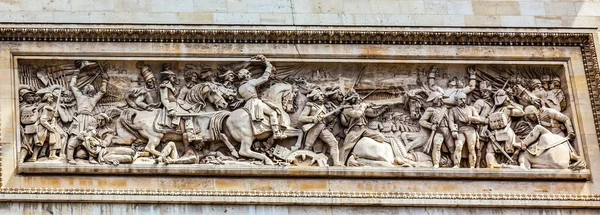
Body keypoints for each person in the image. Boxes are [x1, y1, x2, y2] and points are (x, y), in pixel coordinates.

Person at [65, 64, 109, 164]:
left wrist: (105, 80)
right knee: (75, 137)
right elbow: (102, 91)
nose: (88, 87)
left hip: (88, 120)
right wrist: (75, 75)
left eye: (89, 87)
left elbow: (102, 91)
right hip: (80, 119)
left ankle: (91, 158)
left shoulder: (89, 98)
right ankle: (70, 158)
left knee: (90, 139)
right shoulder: (82, 96)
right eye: (87, 87)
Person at [237, 55, 286, 139]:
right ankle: (276, 133)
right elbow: (264, 78)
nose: (250, 74)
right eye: (248, 73)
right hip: (255, 103)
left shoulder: (240, 88)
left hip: (247, 105)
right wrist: (268, 66)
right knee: (273, 112)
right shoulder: (250, 83)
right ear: (245, 76)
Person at [339, 89, 386, 164]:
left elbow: (372, 113)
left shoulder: (359, 107)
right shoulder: (347, 109)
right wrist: (363, 106)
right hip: (355, 129)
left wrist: (384, 108)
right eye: (354, 97)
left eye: (356, 97)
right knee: (346, 147)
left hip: (364, 129)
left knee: (381, 137)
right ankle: (340, 163)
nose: (356, 99)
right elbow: (357, 115)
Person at [299, 89, 342, 166]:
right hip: (314, 127)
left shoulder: (323, 107)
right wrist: (313, 119)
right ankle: (302, 163)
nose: (322, 96)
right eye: (320, 95)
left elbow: (327, 120)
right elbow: (301, 118)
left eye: (322, 95)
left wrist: (334, 114)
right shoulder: (310, 105)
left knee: (334, 143)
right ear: (315, 97)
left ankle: (336, 162)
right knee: (308, 146)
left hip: (323, 127)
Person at [448, 91, 487, 168]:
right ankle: (456, 164)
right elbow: (451, 122)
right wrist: (453, 130)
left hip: (470, 129)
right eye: (460, 99)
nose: (463, 101)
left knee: (471, 147)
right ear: (456, 100)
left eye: (464, 99)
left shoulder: (471, 108)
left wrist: (470, 118)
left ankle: (472, 165)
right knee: (458, 146)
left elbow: (478, 119)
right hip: (460, 130)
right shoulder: (453, 110)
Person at [419, 92, 453, 168]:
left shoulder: (446, 109)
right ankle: (436, 163)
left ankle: (456, 164)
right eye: (439, 99)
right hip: (438, 131)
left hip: (447, 130)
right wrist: (431, 126)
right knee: (437, 146)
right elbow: (422, 121)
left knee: (452, 147)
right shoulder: (430, 110)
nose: (440, 100)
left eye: (441, 99)